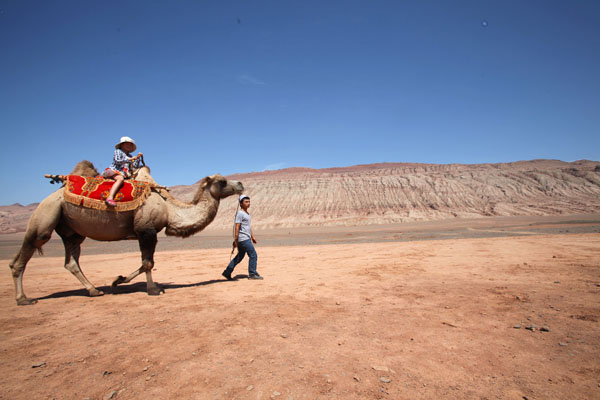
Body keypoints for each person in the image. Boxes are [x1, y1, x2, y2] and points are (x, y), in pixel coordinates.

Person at [222, 194, 263, 280]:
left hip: (246, 238)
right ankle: (252, 274)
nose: (248, 203)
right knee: (253, 254)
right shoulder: (240, 214)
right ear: (241, 203)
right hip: (243, 239)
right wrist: (236, 240)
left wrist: (252, 236)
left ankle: (227, 272)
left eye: (249, 202)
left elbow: (248, 226)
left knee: (239, 257)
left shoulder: (247, 214)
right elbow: (237, 227)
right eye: (246, 202)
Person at [103, 136, 143, 206]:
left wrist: (137, 158)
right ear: (122, 145)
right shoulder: (118, 151)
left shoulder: (130, 156)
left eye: (130, 144)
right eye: (127, 144)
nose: (129, 145)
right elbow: (117, 161)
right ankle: (110, 197)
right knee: (120, 179)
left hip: (124, 174)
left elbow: (135, 166)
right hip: (113, 171)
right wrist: (130, 160)